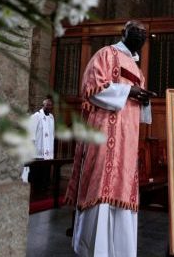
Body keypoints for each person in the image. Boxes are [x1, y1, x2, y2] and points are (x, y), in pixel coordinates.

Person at [65, 20, 155, 257]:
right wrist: (129, 91)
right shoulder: (106, 54)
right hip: (105, 131)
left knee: (123, 190)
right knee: (101, 184)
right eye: (136, 32)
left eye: (144, 35)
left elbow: (141, 114)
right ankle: (95, 249)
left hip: (128, 138)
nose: (140, 38)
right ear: (123, 32)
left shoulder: (138, 70)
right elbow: (92, 87)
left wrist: (143, 98)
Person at [21, 96, 54, 185]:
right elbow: (31, 133)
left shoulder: (51, 117)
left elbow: (51, 135)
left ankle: (44, 185)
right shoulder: (36, 116)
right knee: (36, 170)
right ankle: (34, 187)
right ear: (42, 105)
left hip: (47, 150)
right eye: (47, 105)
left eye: (50, 105)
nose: (49, 107)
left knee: (45, 170)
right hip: (37, 149)